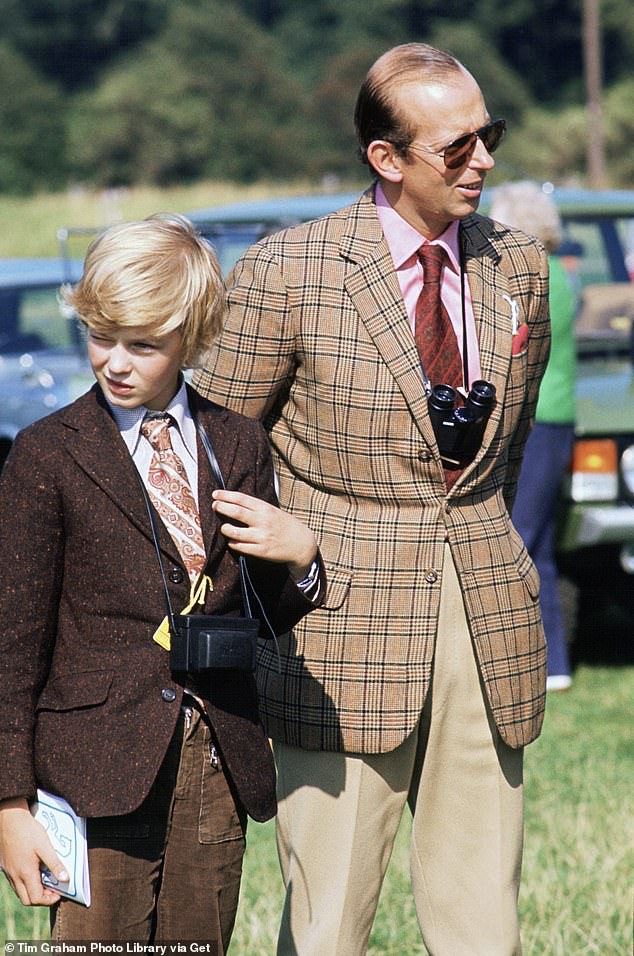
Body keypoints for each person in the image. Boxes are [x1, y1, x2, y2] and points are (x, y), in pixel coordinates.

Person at [193, 42, 550, 956]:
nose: (486, 162)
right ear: (385, 158)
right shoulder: (290, 270)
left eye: (491, 136)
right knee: (327, 927)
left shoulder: (522, 269)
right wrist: (278, 571)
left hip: (487, 615)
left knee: (486, 925)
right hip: (336, 633)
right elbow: (219, 450)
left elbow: (502, 460)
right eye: (458, 146)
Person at [0, 214, 325, 949]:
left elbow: (258, 616)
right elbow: (11, 646)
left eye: (142, 345)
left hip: (215, 757)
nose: (115, 361)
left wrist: (299, 557)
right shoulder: (46, 455)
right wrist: (8, 805)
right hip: (92, 768)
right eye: (100, 336)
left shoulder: (238, 441)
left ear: (194, 339)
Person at [490, 181, 576, 691]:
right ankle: (555, 663)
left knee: (518, 540)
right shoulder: (560, 273)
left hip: (540, 417)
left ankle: (525, 660)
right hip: (557, 416)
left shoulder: (534, 275)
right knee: (537, 543)